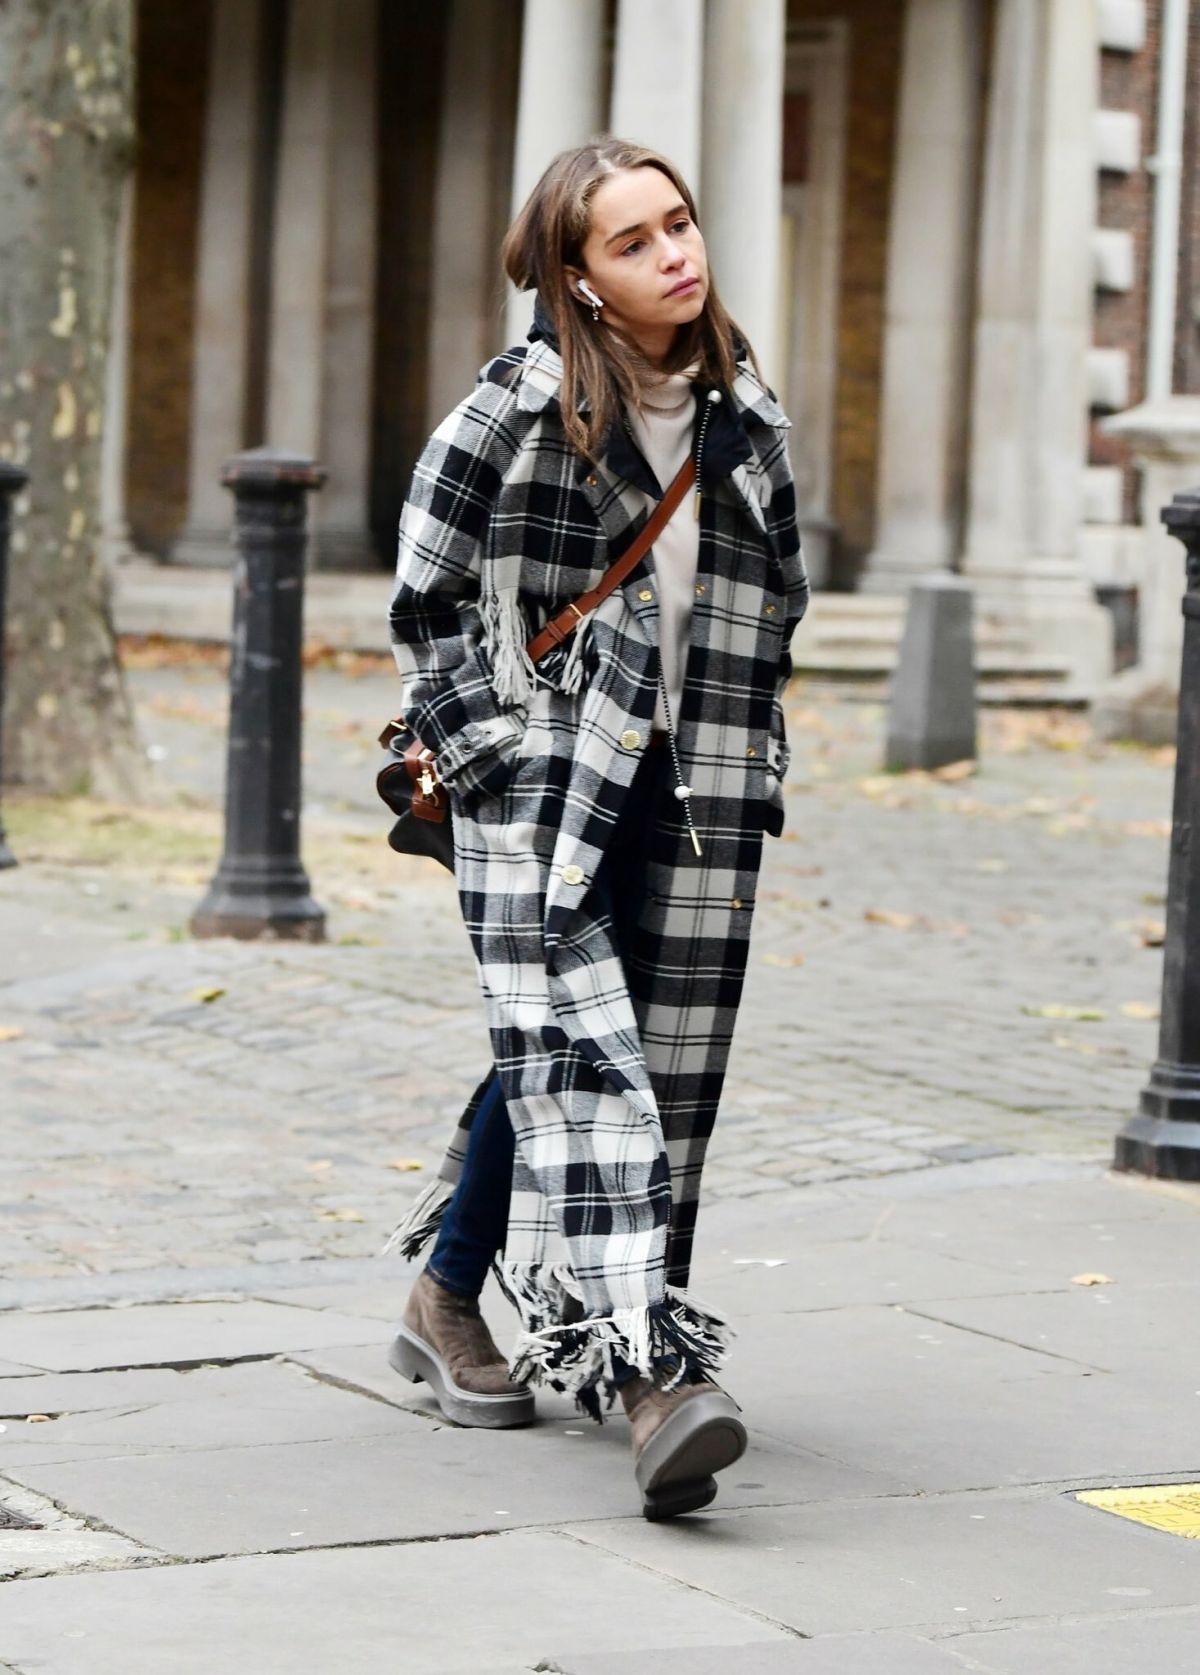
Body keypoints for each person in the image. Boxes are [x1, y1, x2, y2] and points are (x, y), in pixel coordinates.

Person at [385, 136, 809, 1521]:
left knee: (624, 1067)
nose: (675, 253)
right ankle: (651, 1380)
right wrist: (491, 758)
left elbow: (778, 600)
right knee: (590, 1062)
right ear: (579, 273)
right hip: (544, 793)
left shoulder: (749, 418)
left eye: (678, 223)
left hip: (697, 794)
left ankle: (449, 1287)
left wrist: (759, 753)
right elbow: (426, 598)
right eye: (634, 241)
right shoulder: (513, 413)